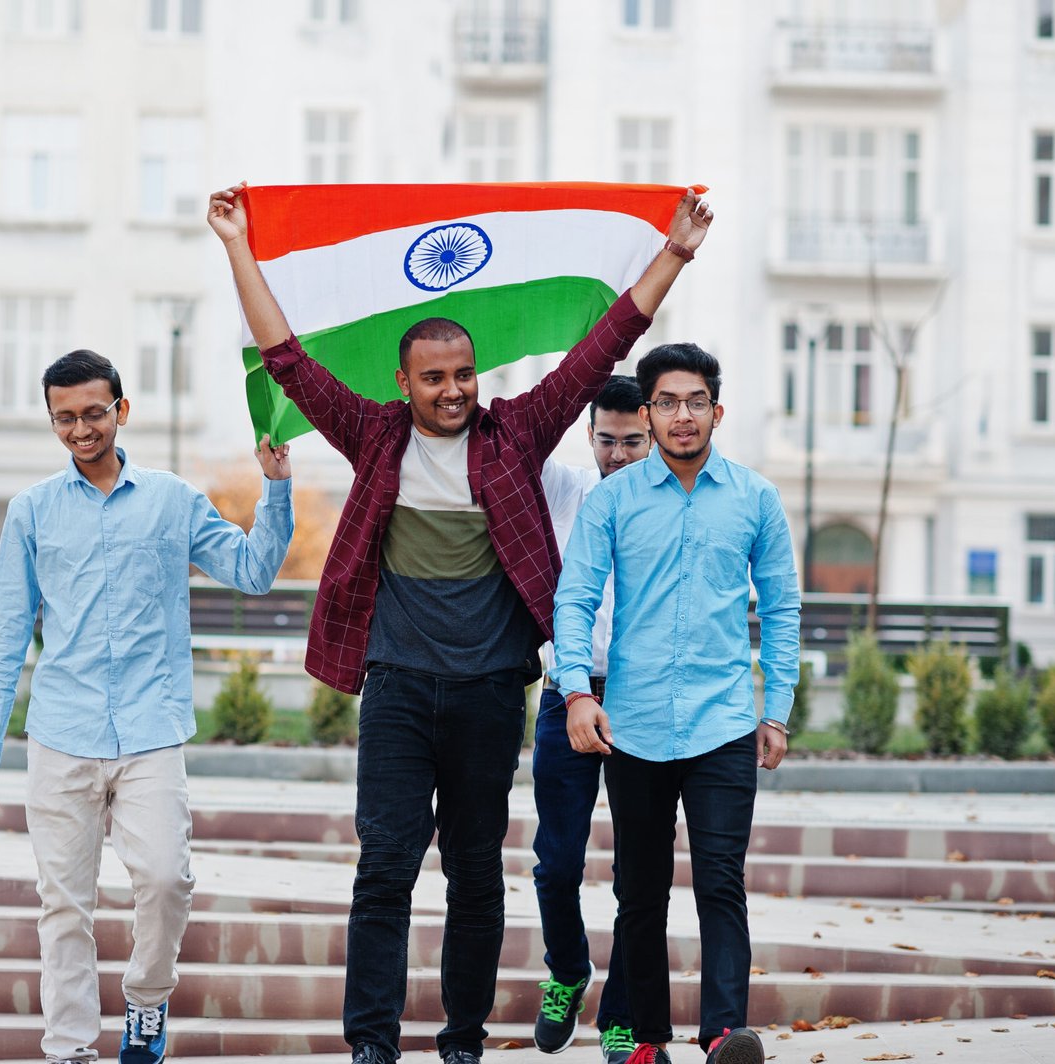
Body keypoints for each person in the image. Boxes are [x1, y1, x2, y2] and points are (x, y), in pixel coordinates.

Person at [209, 182, 713, 1064]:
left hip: (488, 696)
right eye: (434, 378)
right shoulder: (372, 436)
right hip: (399, 692)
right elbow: (286, 355)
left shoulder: (514, 435)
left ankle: (463, 1043)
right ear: (403, 382)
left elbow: (599, 352)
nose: (452, 391)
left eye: (463, 375)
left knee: (477, 880)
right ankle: (371, 1044)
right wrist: (236, 247)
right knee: (384, 873)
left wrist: (671, 253)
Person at [0, 349, 295, 1064]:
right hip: (62, 732)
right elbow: (4, 632)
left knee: (166, 879)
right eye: (65, 418)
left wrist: (276, 489)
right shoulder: (32, 511)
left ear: (121, 408)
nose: (81, 429)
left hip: (150, 729)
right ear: (51, 420)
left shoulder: (173, 500)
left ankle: (147, 1004)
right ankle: (71, 1047)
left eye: (92, 412)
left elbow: (254, 570)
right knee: (64, 905)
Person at [551, 343, 801, 1064]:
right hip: (635, 724)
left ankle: (725, 1032)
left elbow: (782, 608)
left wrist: (776, 708)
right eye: (667, 402)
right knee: (642, 892)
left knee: (722, 880)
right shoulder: (612, 501)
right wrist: (574, 691)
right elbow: (576, 599)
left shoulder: (755, 497)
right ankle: (647, 1042)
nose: (682, 415)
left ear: (716, 411)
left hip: (723, 723)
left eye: (695, 401)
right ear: (649, 413)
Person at [532, 374, 649, 1061]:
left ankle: (621, 1014)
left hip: (642, 703)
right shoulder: (566, 490)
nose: (620, 455)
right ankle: (568, 971)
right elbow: (521, 434)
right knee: (556, 863)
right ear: (590, 435)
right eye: (607, 440)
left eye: (633, 441)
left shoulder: (672, 505)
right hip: (564, 695)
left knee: (639, 871)